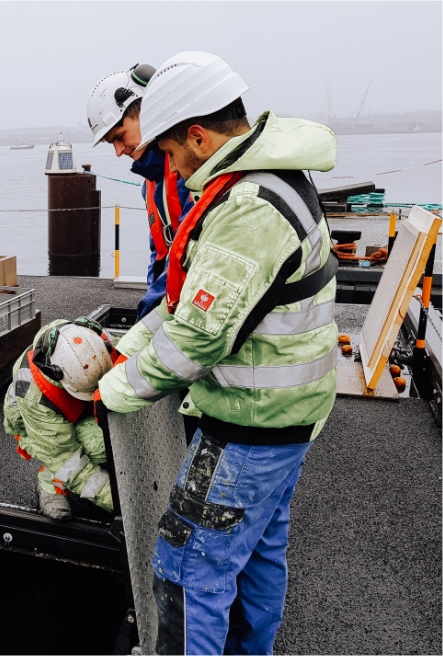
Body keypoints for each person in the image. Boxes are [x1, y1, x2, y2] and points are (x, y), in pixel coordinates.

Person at [96, 51, 339, 654]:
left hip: (248, 424)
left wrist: (114, 388)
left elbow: (200, 335)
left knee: (186, 567)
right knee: (258, 554)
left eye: (171, 152)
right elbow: (199, 303)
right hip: (289, 414)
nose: (169, 168)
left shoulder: (247, 210)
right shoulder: (272, 177)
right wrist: (129, 344)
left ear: (198, 137)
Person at [87, 64, 198, 444]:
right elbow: (162, 254)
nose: (119, 151)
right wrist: (148, 321)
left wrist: (145, 329)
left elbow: (190, 259)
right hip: (175, 305)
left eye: (120, 136)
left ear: (147, 108)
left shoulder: (189, 170)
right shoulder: (153, 180)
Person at [3, 318, 116, 520]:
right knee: (99, 443)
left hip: (75, 410)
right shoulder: (34, 396)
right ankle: (50, 482)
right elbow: (65, 459)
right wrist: (122, 502)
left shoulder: (86, 341)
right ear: (57, 376)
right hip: (37, 431)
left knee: (115, 427)